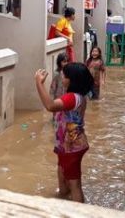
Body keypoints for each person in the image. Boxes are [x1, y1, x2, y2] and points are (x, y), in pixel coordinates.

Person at [34, 63, 94, 203]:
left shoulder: (71, 98)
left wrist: (39, 83)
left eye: (65, 75)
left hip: (72, 146)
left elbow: (50, 106)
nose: (62, 76)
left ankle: (78, 211)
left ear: (72, 79)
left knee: (74, 184)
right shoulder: (79, 96)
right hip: (69, 145)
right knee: (62, 175)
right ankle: (63, 202)